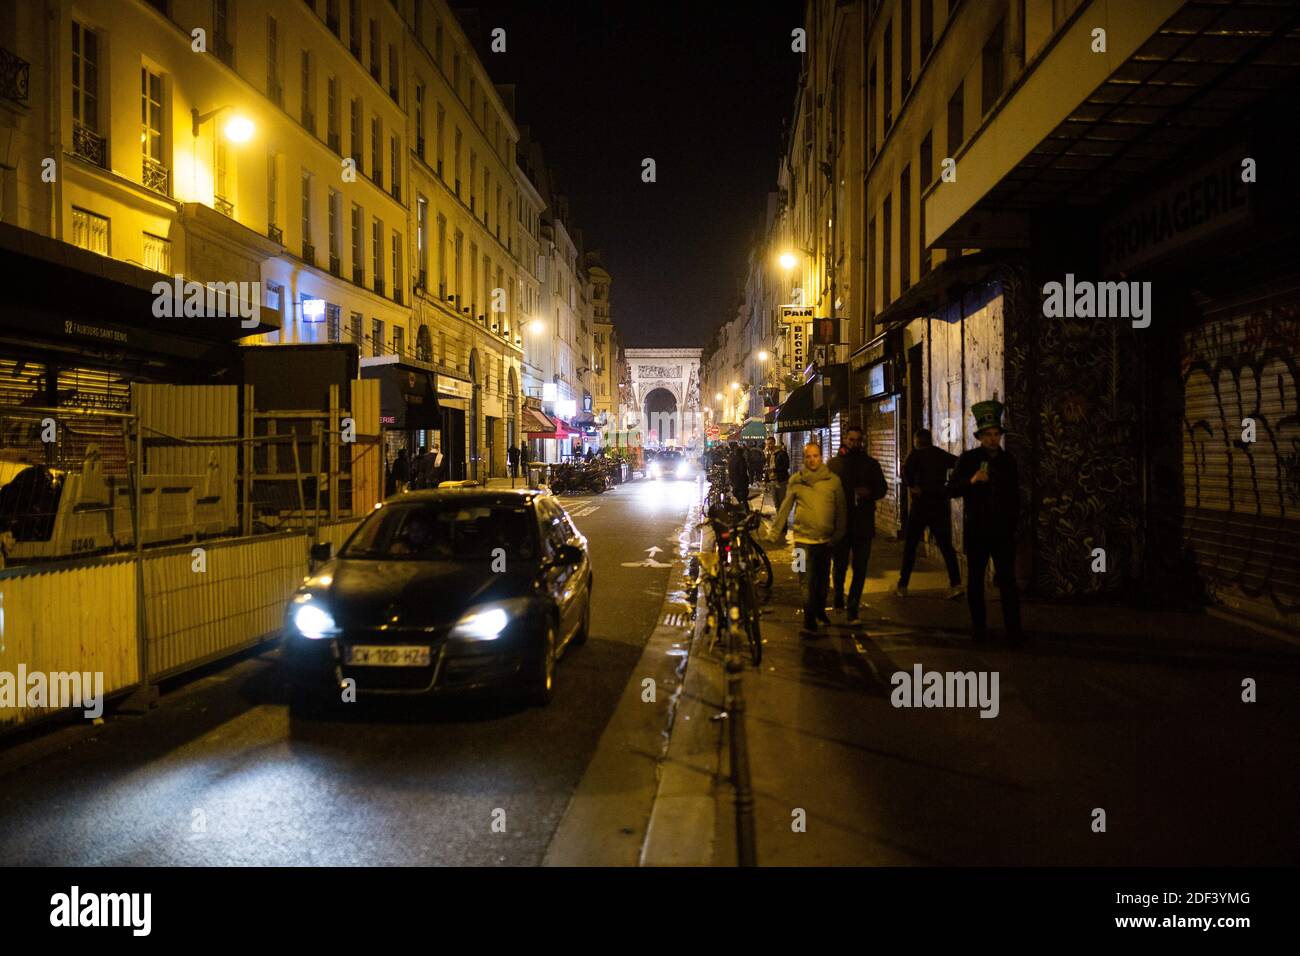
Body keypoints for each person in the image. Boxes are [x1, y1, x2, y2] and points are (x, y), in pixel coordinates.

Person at [947, 400, 1024, 644]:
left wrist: (1013, 525)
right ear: (980, 437)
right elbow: (951, 490)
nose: (992, 439)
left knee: (1007, 581)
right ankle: (979, 627)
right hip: (978, 530)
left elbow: (1015, 495)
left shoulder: (1008, 461)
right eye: (987, 435)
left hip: (1002, 531)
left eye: (996, 434)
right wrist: (971, 480)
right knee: (976, 580)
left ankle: (1013, 629)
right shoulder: (968, 459)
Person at [768, 442, 847, 636]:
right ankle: (809, 620)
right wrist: (775, 531)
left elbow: (841, 510)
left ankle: (819, 611)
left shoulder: (833, 481)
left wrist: (838, 534)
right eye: (808, 456)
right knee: (804, 581)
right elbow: (785, 506)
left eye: (815, 455)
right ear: (804, 459)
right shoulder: (797, 480)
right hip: (802, 541)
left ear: (821, 457)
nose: (812, 459)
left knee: (821, 581)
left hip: (825, 542)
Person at [827, 425, 888, 623]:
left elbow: (882, 488)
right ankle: (838, 596)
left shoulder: (870, 464)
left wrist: (868, 492)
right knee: (840, 566)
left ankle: (853, 609)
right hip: (842, 525)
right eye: (851, 439)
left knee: (860, 569)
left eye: (857, 440)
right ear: (845, 439)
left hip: (863, 524)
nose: (854, 443)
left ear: (862, 441)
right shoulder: (834, 465)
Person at [897, 428, 962, 598]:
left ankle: (903, 585)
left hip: (920, 506)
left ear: (916, 440)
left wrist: (912, 485)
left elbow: (904, 473)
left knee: (910, 546)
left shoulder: (914, 456)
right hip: (939, 504)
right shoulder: (940, 454)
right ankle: (956, 583)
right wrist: (950, 485)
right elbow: (958, 463)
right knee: (946, 546)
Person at [728, 442, 751, 510]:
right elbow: (742, 472)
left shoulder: (732, 460)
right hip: (741, 481)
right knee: (744, 498)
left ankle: (742, 509)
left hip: (735, 481)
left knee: (738, 495)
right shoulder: (741, 460)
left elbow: (730, 470)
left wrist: (731, 479)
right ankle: (745, 511)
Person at [771, 441, 790, 517]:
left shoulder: (782, 454)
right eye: (767, 443)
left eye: (770, 443)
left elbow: (786, 465)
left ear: (774, 443)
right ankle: (779, 519)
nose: (769, 445)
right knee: (776, 503)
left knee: (782, 503)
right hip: (773, 481)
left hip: (781, 480)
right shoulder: (770, 454)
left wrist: (776, 469)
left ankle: (782, 523)